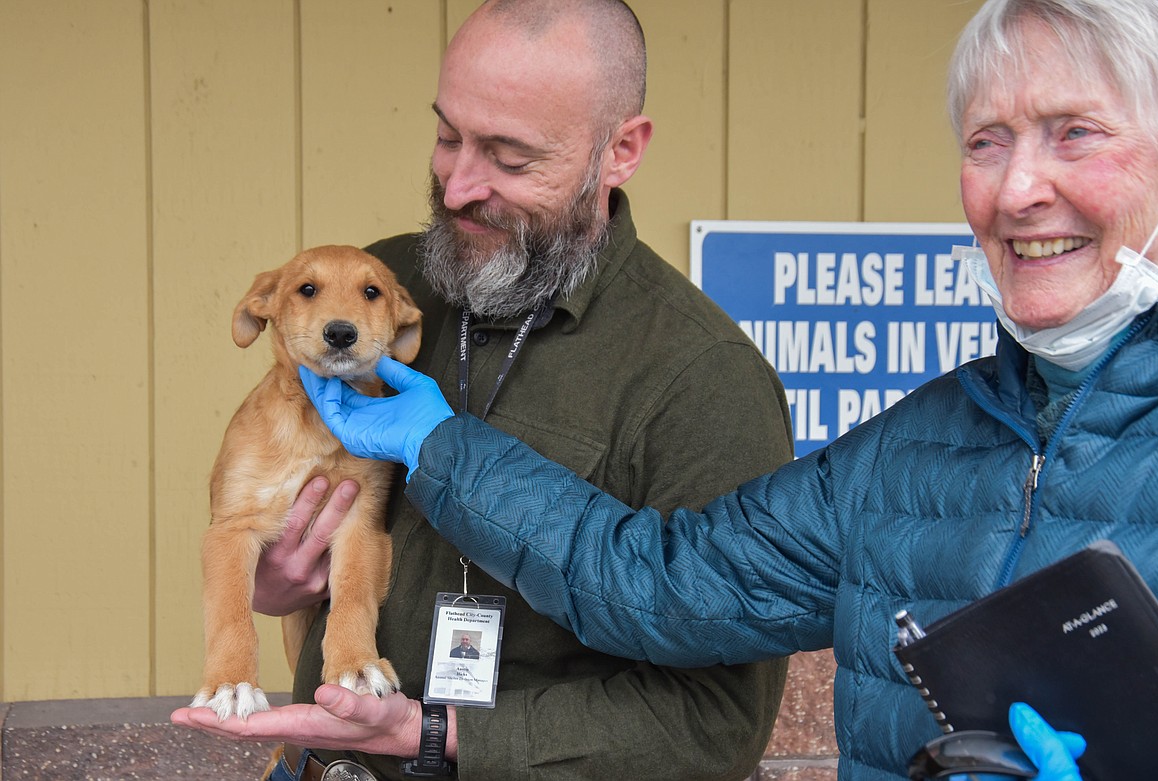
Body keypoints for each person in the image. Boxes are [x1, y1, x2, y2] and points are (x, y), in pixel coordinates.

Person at [290, 0, 1158, 778]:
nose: (1018, 190)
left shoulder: (699, 368)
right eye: (987, 142)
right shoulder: (910, 451)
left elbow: (711, 722)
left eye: (1076, 134)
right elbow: (656, 582)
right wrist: (436, 447)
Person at [172, 1, 794, 779]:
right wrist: (278, 576)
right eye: (446, 136)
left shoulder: (703, 380)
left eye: (510, 157)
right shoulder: (380, 287)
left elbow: (716, 725)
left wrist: (436, 733)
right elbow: (281, 506)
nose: (460, 186)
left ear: (620, 151)